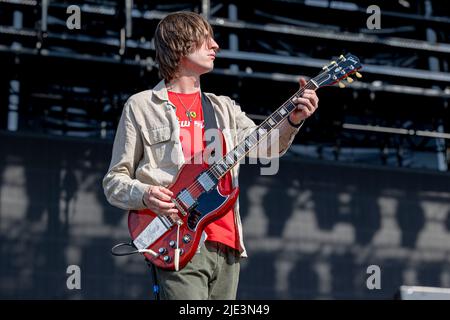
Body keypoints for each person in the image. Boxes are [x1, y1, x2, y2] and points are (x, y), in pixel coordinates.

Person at [103, 11, 319, 300]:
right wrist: (146, 194)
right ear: (180, 45)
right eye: (205, 39)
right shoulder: (142, 106)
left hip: (228, 245)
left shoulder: (223, 108)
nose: (215, 46)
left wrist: (292, 120)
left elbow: (266, 148)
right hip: (178, 240)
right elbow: (114, 182)